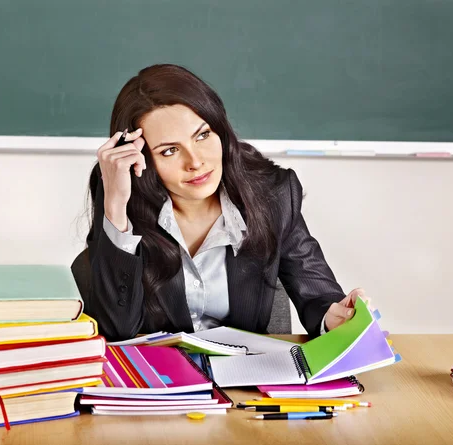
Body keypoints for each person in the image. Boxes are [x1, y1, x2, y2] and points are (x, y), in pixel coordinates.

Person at [84, 64, 367, 342]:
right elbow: (115, 329)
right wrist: (115, 205)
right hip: (161, 380)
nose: (195, 162)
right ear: (140, 158)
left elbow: (317, 295)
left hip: (244, 378)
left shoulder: (272, 193)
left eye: (203, 135)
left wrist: (334, 317)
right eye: (170, 150)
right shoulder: (121, 194)